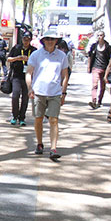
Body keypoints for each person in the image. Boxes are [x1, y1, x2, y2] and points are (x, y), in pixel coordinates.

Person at [26, 30, 69, 162]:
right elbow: (29, 73)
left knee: (54, 120)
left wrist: (63, 92)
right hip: (39, 92)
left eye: (53, 39)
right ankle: (39, 143)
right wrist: (30, 89)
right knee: (38, 119)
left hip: (55, 93)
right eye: (47, 39)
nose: (50, 41)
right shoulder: (36, 55)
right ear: (43, 40)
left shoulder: (62, 56)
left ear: (57, 41)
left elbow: (65, 75)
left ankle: (53, 148)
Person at [7, 30, 36, 126]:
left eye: (28, 39)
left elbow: (38, 63)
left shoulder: (34, 50)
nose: (26, 41)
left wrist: (29, 59)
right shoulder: (16, 48)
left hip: (29, 77)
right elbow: (9, 59)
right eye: (24, 39)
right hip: (16, 76)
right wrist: (17, 58)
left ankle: (22, 117)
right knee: (15, 96)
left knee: (25, 98)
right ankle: (14, 115)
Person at [87, 31, 111, 109]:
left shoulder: (108, 47)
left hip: (104, 68)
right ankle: (94, 101)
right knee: (95, 85)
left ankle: (99, 101)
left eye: (101, 35)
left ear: (104, 36)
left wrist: (110, 68)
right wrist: (89, 67)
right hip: (95, 67)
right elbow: (90, 56)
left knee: (103, 86)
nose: (99, 37)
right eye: (98, 35)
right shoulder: (94, 46)